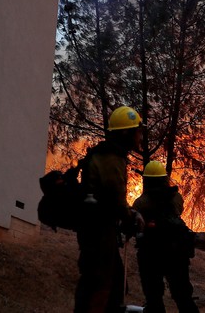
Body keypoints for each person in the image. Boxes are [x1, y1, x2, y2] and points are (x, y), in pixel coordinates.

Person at [75, 106, 145, 313]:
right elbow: (114, 197)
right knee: (100, 285)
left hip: (99, 229)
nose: (140, 137)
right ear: (126, 133)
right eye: (137, 132)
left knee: (114, 284)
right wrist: (130, 216)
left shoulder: (110, 155)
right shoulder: (111, 158)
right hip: (98, 231)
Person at [133, 160, 199, 313]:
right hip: (177, 253)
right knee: (183, 296)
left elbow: (136, 223)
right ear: (165, 179)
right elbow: (178, 212)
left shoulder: (140, 203)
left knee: (153, 298)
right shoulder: (176, 197)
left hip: (150, 254)